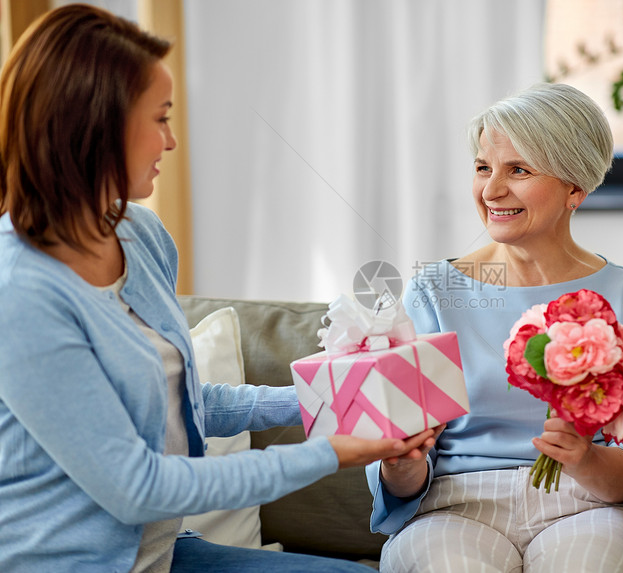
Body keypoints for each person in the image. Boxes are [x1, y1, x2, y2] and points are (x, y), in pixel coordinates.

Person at [0, 5, 436, 572]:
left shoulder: (139, 235)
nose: (172, 140)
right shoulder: (21, 292)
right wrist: (328, 452)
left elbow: (187, 404)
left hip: (164, 554)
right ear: (96, 128)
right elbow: (136, 487)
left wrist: (341, 399)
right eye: (159, 118)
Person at [365, 83, 623, 572]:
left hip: (586, 504)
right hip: (454, 508)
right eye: (483, 167)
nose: (490, 191)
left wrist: (583, 457)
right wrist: (400, 463)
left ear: (576, 188)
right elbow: (399, 481)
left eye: (518, 170)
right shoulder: (433, 290)